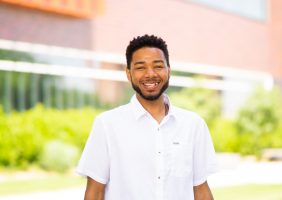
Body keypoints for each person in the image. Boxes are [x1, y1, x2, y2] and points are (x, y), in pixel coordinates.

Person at [77, 34, 218, 200]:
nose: (150, 74)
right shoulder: (107, 124)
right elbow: (95, 192)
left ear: (168, 71)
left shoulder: (193, 125)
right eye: (140, 67)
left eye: (158, 66)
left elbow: (201, 190)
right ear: (128, 74)